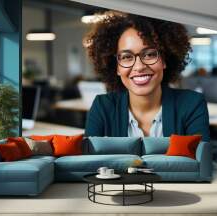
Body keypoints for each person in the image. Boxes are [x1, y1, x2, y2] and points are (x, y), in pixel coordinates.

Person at [83, 11, 210, 141]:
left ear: (164, 60)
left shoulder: (191, 104)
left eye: (149, 54)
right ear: (116, 67)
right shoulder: (102, 107)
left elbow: (201, 159)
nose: (139, 67)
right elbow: (90, 160)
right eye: (126, 57)